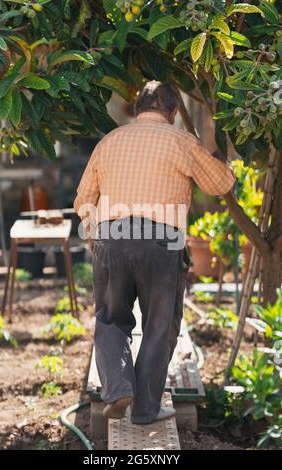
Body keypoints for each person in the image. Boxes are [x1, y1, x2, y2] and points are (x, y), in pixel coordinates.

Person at [74, 81, 235, 424]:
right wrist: (221, 160)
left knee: (111, 320)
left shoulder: (110, 142)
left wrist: (94, 237)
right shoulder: (181, 140)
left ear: (136, 108)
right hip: (162, 242)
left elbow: (83, 200)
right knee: (159, 325)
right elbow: (219, 185)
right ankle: (145, 409)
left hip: (111, 237)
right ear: (174, 112)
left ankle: (117, 390)